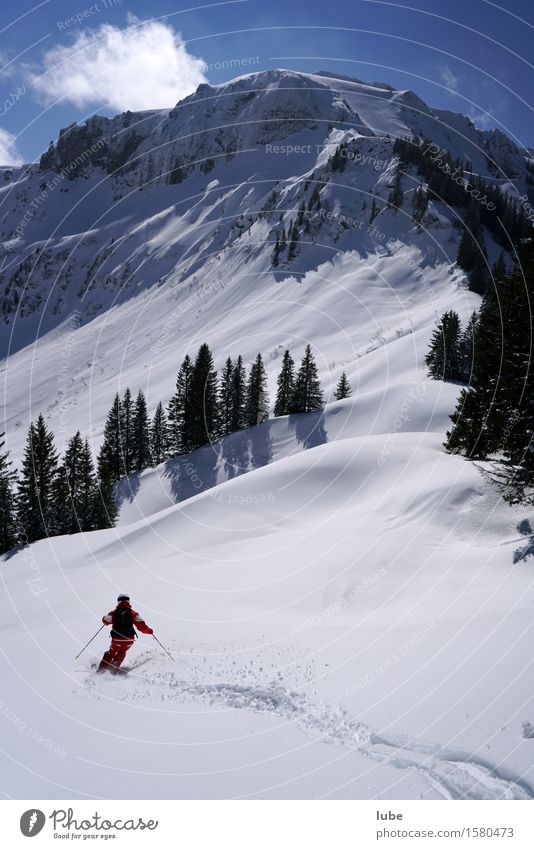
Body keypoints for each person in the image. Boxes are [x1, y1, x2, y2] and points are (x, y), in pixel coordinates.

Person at [98, 593, 153, 672]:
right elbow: (142, 627)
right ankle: (112, 670)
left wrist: (105, 619)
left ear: (118, 601)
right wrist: (150, 631)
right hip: (129, 640)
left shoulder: (113, 613)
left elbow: (105, 621)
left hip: (116, 640)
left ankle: (101, 670)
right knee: (122, 652)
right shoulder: (133, 613)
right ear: (129, 601)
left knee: (111, 653)